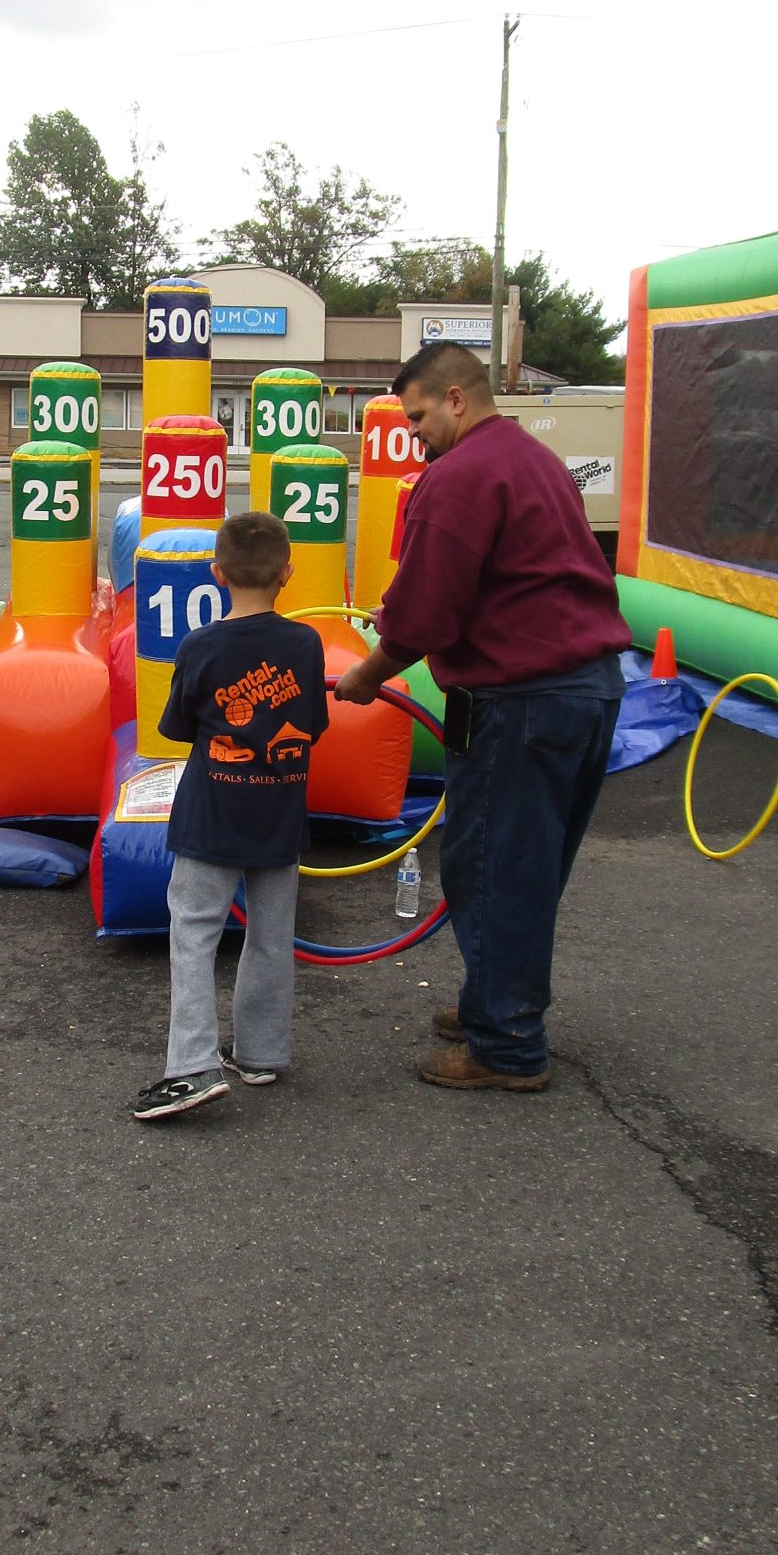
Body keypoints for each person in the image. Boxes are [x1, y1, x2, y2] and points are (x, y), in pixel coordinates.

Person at [334, 343, 629, 1092]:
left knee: (493, 870)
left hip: (521, 702)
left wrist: (366, 675)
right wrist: (406, 613)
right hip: (586, 690)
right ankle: (495, 1004)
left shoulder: (456, 476)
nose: (414, 434)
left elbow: (429, 611)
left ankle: (507, 1048)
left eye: (420, 416)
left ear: (457, 398)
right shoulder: (534, 459)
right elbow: (504, 576)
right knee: (524, 867)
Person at [131, 509, 329, 1122]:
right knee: (272, 935)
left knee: (193, 933)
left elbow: (176, 728)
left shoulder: (201, 646)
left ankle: (190, 1067)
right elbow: (313, 728)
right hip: (278, 815)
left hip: (211, 816)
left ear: (216, 573)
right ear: (287, 574)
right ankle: (261, 1053)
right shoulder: (305, 643)